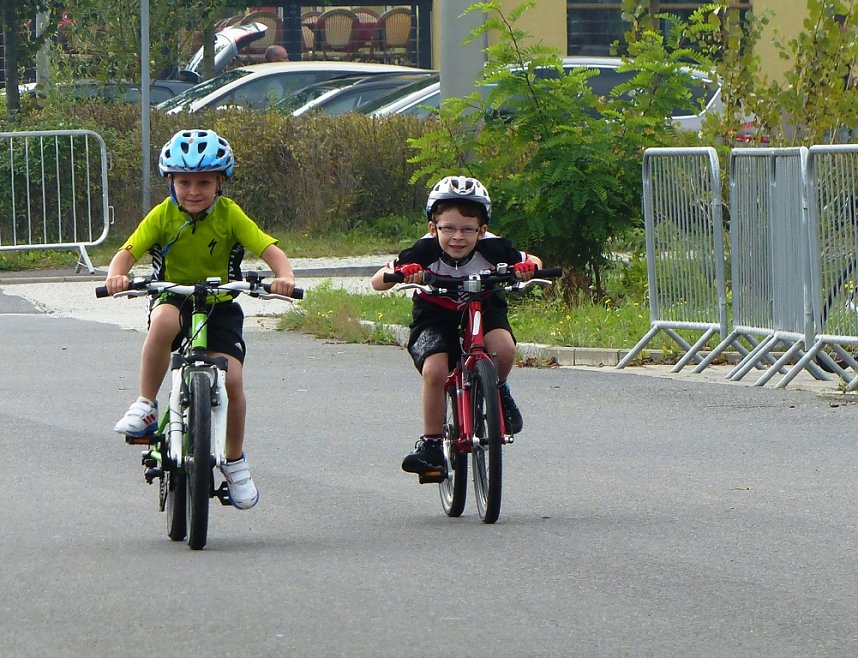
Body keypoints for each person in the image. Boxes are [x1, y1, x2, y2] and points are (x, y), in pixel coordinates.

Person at [104, 129, 296, 510]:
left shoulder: (230, 214)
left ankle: (236, 462)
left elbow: (268, 248)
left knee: (234, 380)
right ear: (170, 182)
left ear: (220, 182)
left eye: (204, 182)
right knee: (161, 324)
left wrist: (284, 275)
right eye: (184, 182)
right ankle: (146, 404)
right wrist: (116, 275)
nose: (193, 191)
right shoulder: (162, 215)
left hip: (219, 304)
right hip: (173, 296)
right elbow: (127, 252)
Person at [371, 175, 543, 480]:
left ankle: (498, 390)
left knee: (503, 349)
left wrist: (527, 269)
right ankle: (432, 445)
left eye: (467, 229)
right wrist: (404, 273)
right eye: (447, 228)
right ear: (432, 228)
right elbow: (378, 280)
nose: (457, 237)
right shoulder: (423, 251)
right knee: (435, 371)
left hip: (485, 305)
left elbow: (534, 262)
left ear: (483, 230)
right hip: (435, 311)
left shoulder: (496, 248)